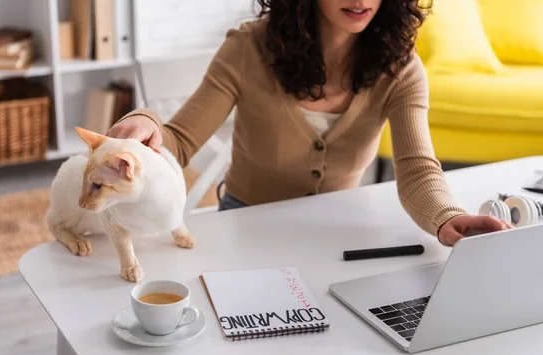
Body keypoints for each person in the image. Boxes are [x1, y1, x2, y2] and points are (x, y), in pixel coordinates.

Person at [106, 0, 510, 247]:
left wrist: (447, 218)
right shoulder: (247, 48)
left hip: (339, 232)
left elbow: (417, 169)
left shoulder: (400, 68)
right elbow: (178, 140)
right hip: (246, 224)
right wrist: (144, 121)